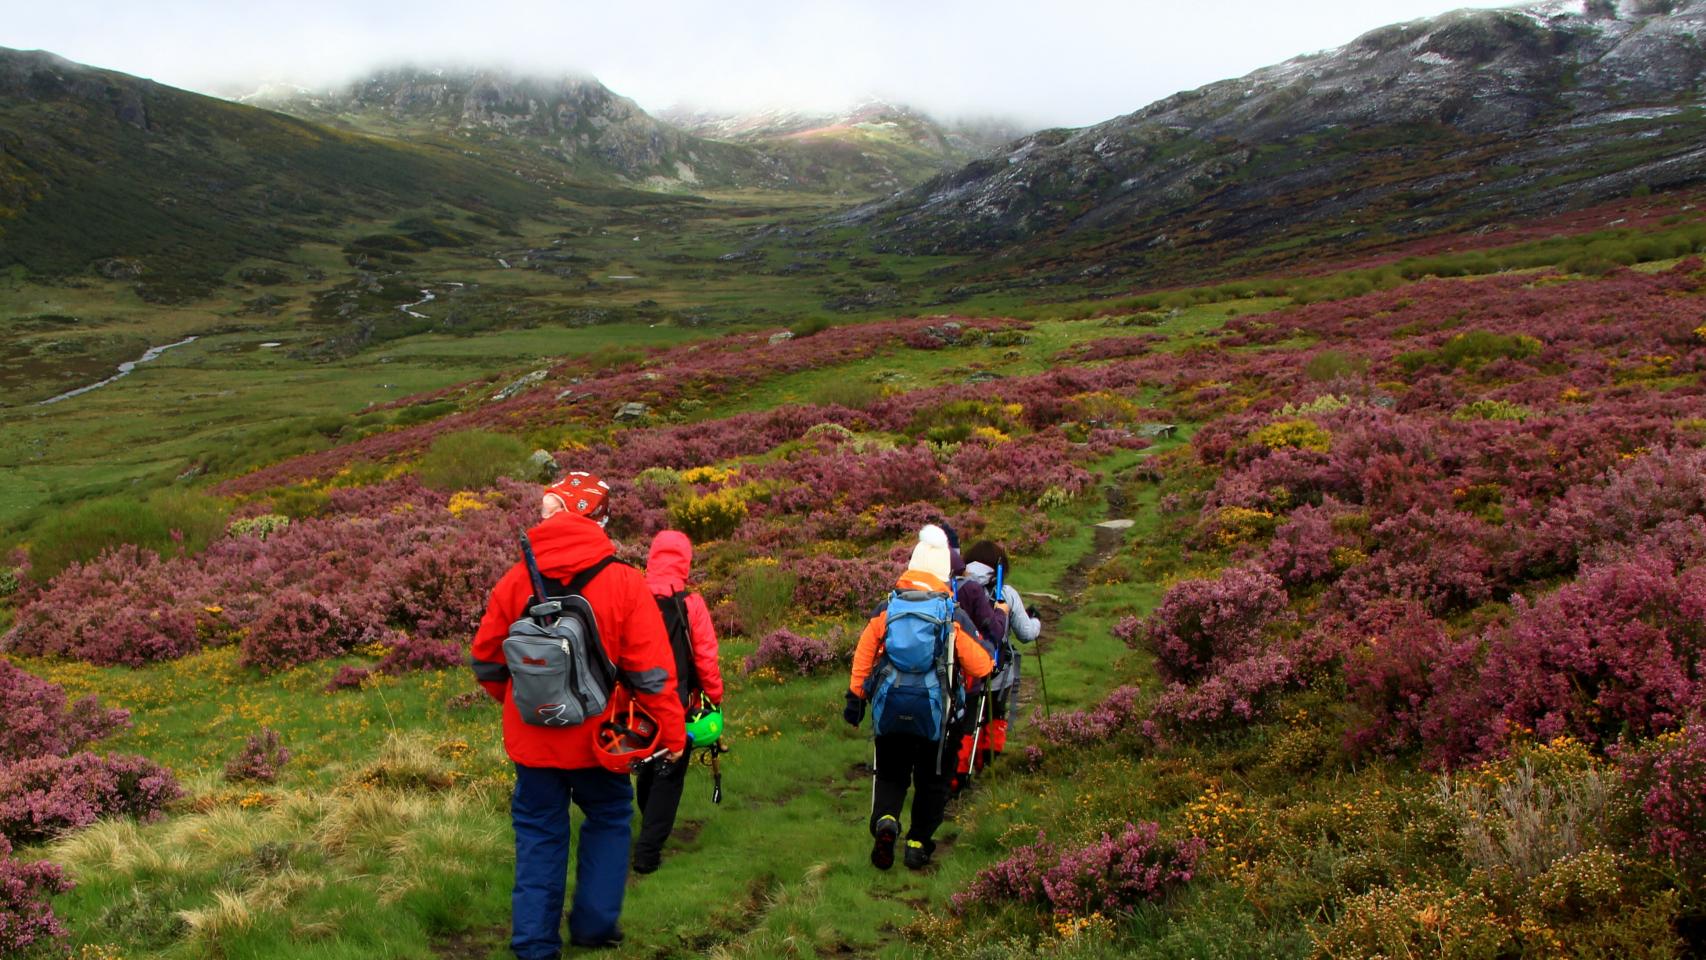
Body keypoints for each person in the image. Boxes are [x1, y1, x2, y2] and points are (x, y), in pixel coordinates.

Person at [469, 472, 687, 957]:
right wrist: (672, 732)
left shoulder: (513, 581)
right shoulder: (625, 582)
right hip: (600, 742)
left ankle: (533, 945)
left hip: (533, 743)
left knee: (540, 835)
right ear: (599, 518)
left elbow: (486, 661)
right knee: (610, 818)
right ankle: (592, 926)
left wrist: (523, 705)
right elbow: (653, 673)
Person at [845, 525, 993, 871]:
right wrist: (986, 650)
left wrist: (855, 697)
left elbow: (864, 654)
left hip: (890, 710)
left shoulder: (888, 608)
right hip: (936, 717)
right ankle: (917, 843)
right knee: (934, 779)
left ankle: (886, 821)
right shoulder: (952, 614)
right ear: (944, 571)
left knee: (891, 773)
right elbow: (982, 666)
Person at [633, 529, 724, 874]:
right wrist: (713, 697)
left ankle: (648, 826)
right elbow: (705, 657)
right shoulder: (691, 603)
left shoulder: (633, 596)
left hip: (634, 700)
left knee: (647, 762)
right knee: (669, 774)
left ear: (651, 558)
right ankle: (648, 852)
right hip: (676, 700)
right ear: (685, 562)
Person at [958, 540, 1041, 773]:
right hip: (997, 672)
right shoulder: (1006, 594)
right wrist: (1035, 621)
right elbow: (1026, 634)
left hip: (963, 672)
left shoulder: (956, 588)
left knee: (964, 720)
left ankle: (959, 772)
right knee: (996, 714)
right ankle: (988, 761)